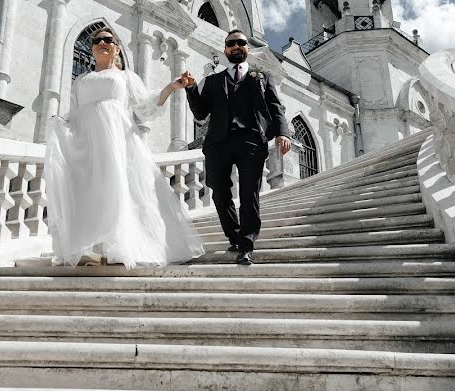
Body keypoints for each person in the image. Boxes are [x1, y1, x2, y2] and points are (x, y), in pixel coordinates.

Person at [45, 27, 204, 269]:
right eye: (97, 40)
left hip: (117, 140)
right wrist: (60, 124)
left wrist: (171, 87)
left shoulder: (126, 77)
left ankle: (116, 246)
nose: (102, 43)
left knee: (116, 188)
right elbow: (75, 113)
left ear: (117, 48)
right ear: (92, 48)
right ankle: (91, 248)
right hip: (87, 141)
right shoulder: (81, 81)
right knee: (89, 190)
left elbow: (146, 106)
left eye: (108, 40)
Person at [184, 30, 292, 265]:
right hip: (217, 143)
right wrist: (191, 89)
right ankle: (234, 235)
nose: (235, 46)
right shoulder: (213, 81)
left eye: (240, 43)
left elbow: (275, 107)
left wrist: (282, 133)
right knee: (219, 193)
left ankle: (246, 245)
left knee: (248, 194)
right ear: (225, 50)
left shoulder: (261, 77)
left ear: (247, 49)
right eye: (230, 43)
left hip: (251, 140)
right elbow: (201, 113)